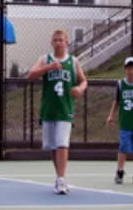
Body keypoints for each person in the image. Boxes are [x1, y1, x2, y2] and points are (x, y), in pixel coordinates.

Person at [27, 30, 87, 194]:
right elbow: (31, 75)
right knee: (53, 146)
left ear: (67, 43)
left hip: (65, 108)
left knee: (62, 143)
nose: (58, 42)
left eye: (61, 40)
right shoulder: (45, 59)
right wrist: (49, 67)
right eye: (55, 40)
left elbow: (83, 81)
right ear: (51, 43)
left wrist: (80, 89)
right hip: (49, 109)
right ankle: (59, 177)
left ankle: (61, 179)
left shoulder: (73, 61)